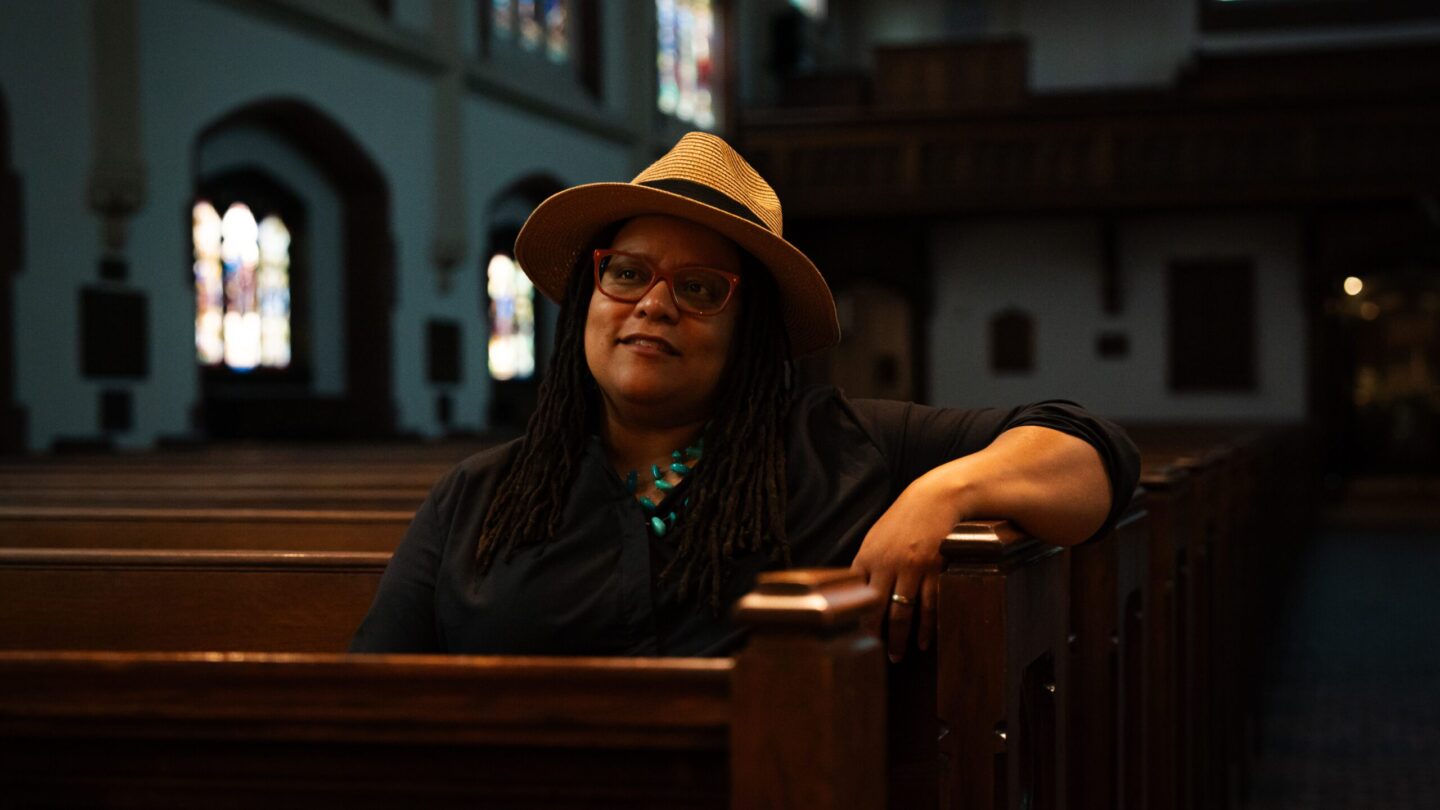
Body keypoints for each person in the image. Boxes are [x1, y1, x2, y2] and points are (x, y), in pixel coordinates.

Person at [351, 132, 1139, 662]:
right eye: (626, 272)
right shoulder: (477, 498)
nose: (653, 304)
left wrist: (945, 490)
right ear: (586, 300)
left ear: (748, 328)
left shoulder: (840, 451)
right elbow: (369, 701)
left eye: (699, 287)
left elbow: (1091, 451)